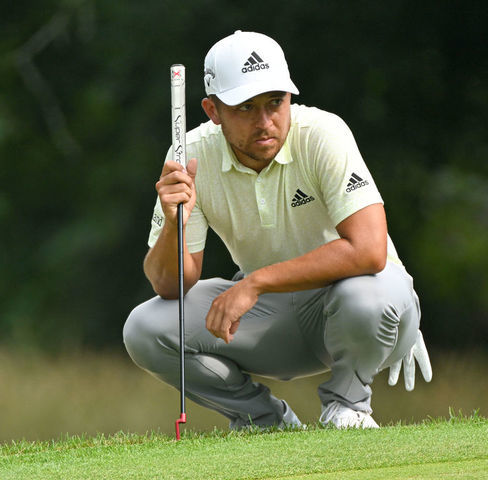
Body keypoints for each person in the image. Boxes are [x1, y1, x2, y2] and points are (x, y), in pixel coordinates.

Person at [123, 30, 432, 429]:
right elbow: (170, 286)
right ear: (212, 110)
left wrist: (254, 284)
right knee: (145, 328)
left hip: (362, 307)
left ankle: (348, 405)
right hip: (276, 318)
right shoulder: (192, 154)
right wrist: (172, 224)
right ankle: (263, 420)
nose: (265, 121)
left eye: (275, 102)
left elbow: (369, 251)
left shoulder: (323, 133)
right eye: (245, 107)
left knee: (369, 294)